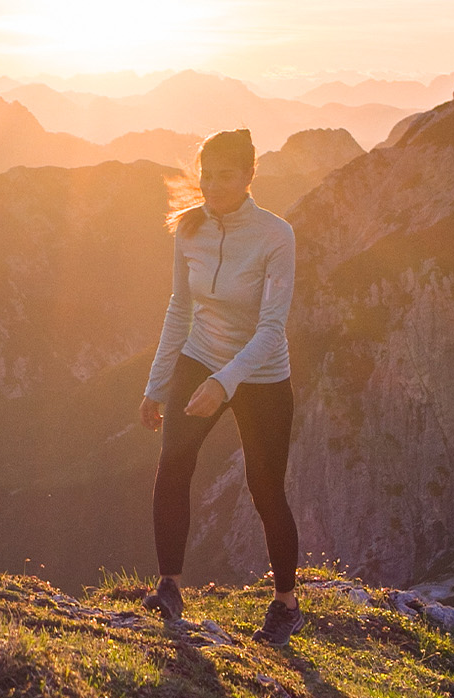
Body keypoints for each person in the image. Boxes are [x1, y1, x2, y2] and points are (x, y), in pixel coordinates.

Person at [136, 129, 304, 647]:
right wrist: (157, 384)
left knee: (265, 487)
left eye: (224, 176)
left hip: (261, 374)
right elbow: (178, 309)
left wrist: (224, 383)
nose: (211, 185)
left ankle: (286, 604)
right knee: (173, 466)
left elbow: (272, 327)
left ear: (249, 176)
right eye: (206, 174)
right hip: (200, 356)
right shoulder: (189, 230)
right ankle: (170, 586)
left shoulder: (277, 235)